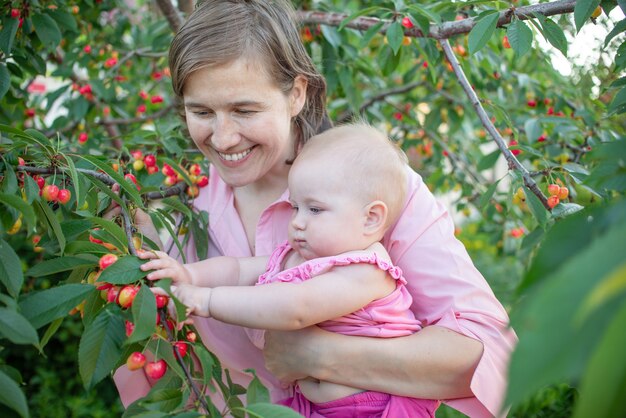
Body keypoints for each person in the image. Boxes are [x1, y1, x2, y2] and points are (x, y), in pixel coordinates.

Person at [113, 1, 517, 417]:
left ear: (297, 94)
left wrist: (317, 354)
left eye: (245, 110)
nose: (223, 137)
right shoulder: (175, 205)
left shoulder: (370, 190)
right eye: (201, 112)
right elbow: (146, 353)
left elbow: (490, 355)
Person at [139, 123, 440, 417]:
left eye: (315, 209)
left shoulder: (367, 270)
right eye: (295, 207)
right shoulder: (297, 255)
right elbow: (238, 269)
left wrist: (205, 300)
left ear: (371, 219)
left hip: (376, 408)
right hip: (311, 407)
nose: (296, 221)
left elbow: (296, 307)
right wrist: (190, 275)